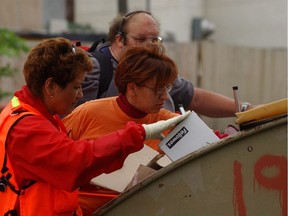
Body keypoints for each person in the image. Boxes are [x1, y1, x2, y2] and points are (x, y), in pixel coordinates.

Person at [0, 37, 190, 216]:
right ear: (50, 86)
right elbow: (75, 163)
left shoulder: (38, 117)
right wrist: (140, 133)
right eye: (76, 87)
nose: (81, 94)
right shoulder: (27, 128)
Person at [63, 43, 191, 215]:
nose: (165, 96)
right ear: (132, 88)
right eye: (158, 89)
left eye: (167, 87)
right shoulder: (86, 114)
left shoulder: (168, 121)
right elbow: (55, 163)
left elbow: (212, 141)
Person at [77, 10, 255, 116]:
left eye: (155, 39)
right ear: (119, 39)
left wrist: (247, 109)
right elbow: (78, 123)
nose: (150, 45)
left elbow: (195, 98)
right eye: (140, 39)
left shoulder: (156, 70)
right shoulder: (94, 68)